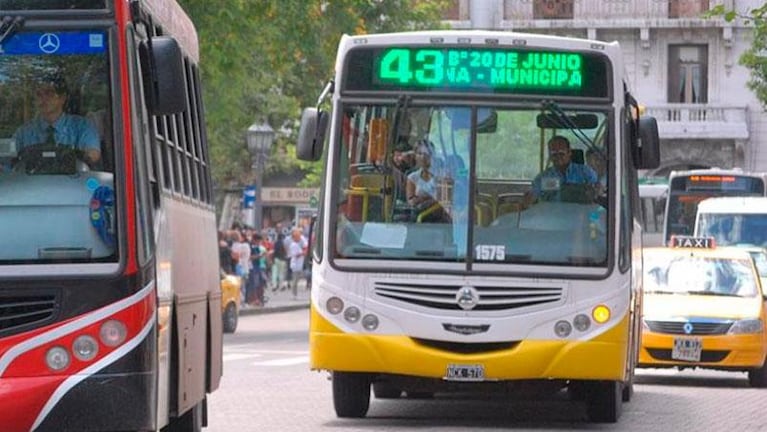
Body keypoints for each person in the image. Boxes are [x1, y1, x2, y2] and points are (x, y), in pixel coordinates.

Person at [13, 75, 101, 166]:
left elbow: (93, 155)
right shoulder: (24, 132)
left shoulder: (82, 126)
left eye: (49, 93)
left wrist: (73, 155)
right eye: (39, 94)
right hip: (33, 180)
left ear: (62, 98)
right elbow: (9, 160)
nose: (43, 99)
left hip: (72, 179)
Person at [525, 136, 599, 205]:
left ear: (569, 152)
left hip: (581, 215)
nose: (558, 157)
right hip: (552, 217)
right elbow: (532, 195)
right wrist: (528, 198)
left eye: (561, 153)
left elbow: (598, 192)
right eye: (554, 154)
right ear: (550, 156)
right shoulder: (543, 177)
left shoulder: (586, 173)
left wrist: (593, 192)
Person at [406, 140, 450, 222]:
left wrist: (421, 198)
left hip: (441, 217)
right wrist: (431, 197)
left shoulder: (442, 175)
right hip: (420, 217)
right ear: (415, 156)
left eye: (426, 154)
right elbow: (412, 202)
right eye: (419, 153)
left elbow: (444, 199)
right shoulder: (412, 177)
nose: (423, 157)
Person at [287, 227, 308, 300]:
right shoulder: (293, 245)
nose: (299, 238)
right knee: (295, 281)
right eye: (298, 237)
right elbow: (296, 255)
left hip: (298, 265)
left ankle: (295, 294)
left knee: (296, 280)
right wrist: (303, 253)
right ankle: (294, 295)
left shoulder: (297, 244)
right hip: (295, 265)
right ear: (294, 237)